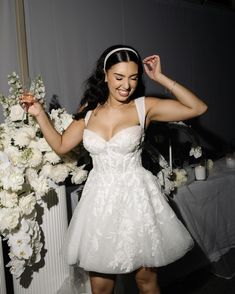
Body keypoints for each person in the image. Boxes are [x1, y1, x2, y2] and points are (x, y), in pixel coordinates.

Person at [20, 44, 207, 294]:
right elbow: (62, 145)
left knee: (146, 282)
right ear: (105, 74)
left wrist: (160, 77)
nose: (126, 85)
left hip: (136, 199)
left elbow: (197, 108)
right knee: (100, 288)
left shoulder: (144, 107)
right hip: (100, 203)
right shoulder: (89, 111)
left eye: (133, 77)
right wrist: (39, 113)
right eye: (119, 77)